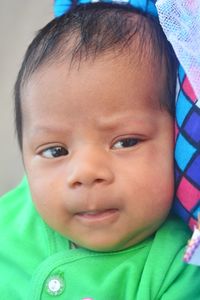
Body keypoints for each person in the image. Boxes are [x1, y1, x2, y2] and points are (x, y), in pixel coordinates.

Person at [1, 0, 200, 299]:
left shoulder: (177, 270)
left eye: (125, 142)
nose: (86, 173)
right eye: (55, 151)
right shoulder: (10, 218)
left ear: (175, 141)